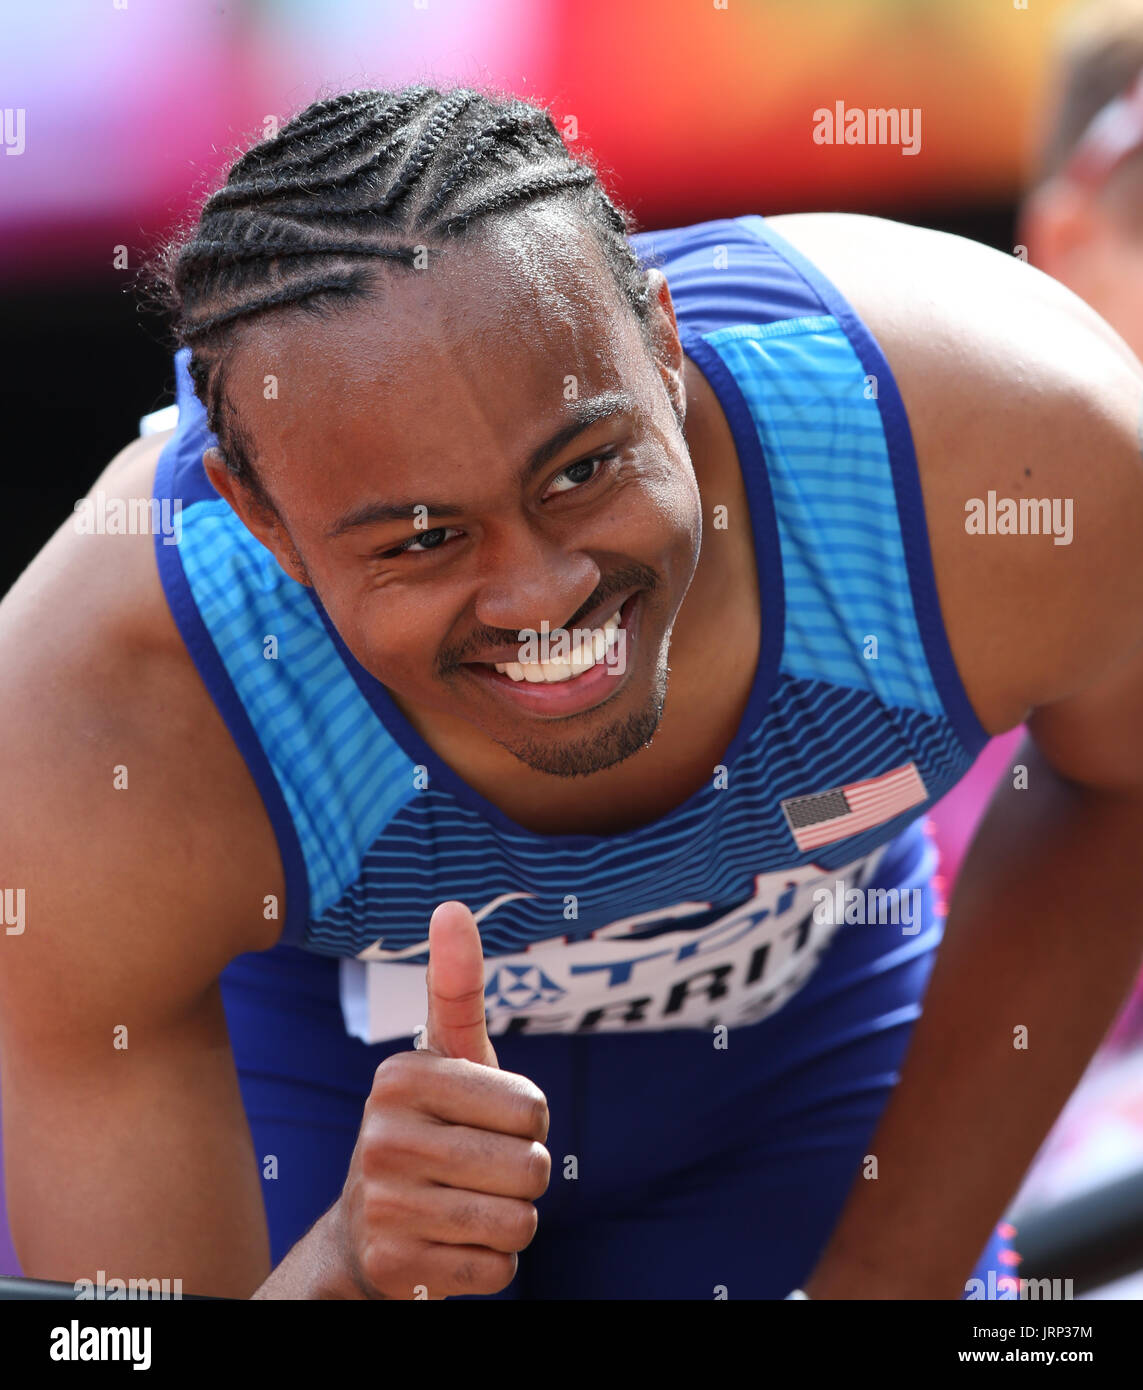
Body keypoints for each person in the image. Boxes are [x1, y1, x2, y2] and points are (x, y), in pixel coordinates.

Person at [3, 83, 1143, 1301]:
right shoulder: (94, 720)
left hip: (802, 1077)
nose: (543, 597)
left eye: (582, 470)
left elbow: (1118, 781)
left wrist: (884, 1279)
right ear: (264, 523)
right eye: (424, 540)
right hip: (331, 1102)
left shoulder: (1015, 446)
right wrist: (337, 1265)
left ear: (663, 341)